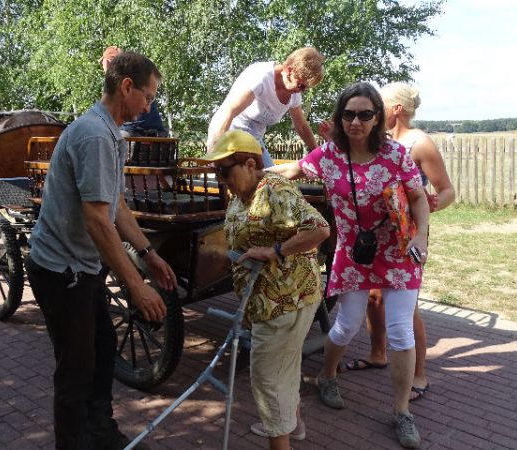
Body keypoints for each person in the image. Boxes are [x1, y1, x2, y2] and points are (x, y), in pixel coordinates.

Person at [26, 51, 178, 450]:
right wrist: (136, 287)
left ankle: (100, 433)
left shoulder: (112, 134)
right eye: (149, 96)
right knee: (75, 370)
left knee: (103, 347)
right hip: (60, 271)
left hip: (82, 268)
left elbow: (117, 205)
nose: (149, 107)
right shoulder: (94, 135)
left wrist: (149, 254)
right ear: (126, 86)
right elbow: (97, 221)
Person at [269, 82, 430, 449]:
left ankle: (402, 412)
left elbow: (418, 198)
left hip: (398, 251)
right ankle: (327, 376)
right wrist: (251, 171)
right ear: (340, 118)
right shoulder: (330, 155)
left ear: (377, 118)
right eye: (348, 114)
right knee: (346, 326)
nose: (356, 121)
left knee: (400, 332)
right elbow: (294, 170)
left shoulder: (396, 154)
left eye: (364, 114)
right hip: (354, 253)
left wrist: (420, 236)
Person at [201, 130, 330, 450]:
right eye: (216, 172)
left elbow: (319, 229)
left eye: (224, 171)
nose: (220, 179)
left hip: (284, 300)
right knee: (284, 367)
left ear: (249, 164)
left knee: (266, 380)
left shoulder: (273, 189)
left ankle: (280, 437)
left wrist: (275, 251)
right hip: (272, 299)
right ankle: (293, 425)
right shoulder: (243, 193)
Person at [344, 83, 455, 403]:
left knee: (406, 308)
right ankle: (378, 353)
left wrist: (428, 207)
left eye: (379, 106)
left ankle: (419, 373)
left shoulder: (420, 143)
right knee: (373, 297)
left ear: (395, 109)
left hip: (407, 235)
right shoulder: (378, 141)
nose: (373, 112)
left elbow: (447, 190)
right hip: (377, 234)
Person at [206, 47, 325, 167]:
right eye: (301, 85)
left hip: (253, 142)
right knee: (242, 175)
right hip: (229, 134)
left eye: (306, 88)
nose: (302, 91)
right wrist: (215, 151)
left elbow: (302, 126)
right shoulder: (261, 77)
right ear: (289, 71)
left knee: (270, 177)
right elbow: (228, 111)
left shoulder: (294, 96)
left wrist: (319, 155)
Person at [100, 46, 168, 137]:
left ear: (107, 62)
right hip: (158, 133)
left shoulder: (120, 85)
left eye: (103, 62)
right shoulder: (141, 78)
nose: (147, 109)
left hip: (133, 132)